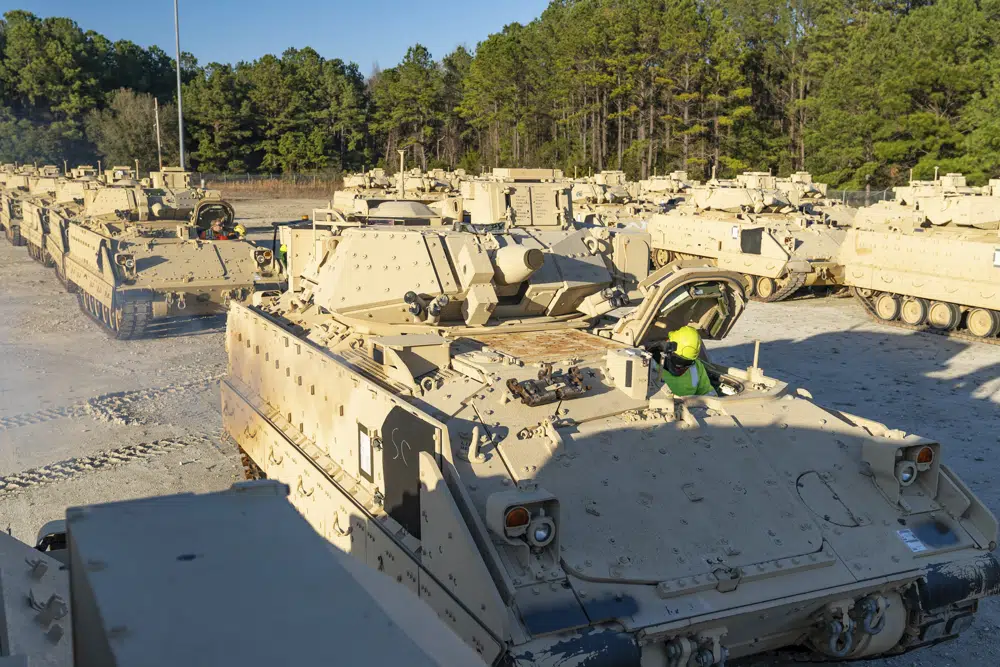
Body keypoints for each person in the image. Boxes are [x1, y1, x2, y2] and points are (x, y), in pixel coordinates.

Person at [659, 326, 713, 396]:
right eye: (679, 360)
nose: (681, 366)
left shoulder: (697, 367)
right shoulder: (651, 367)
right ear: (668, 350)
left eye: (688, 362)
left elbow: (708, 392)